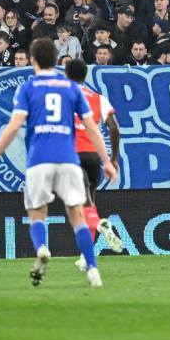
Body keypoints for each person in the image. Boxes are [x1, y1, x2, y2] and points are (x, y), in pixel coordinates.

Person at [0, 38, 115, 288]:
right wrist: (106, 161)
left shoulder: (28, 88)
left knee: (37, 213)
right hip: (68, 159)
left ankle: (42, 247)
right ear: (56, 60)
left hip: (39, 160)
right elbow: (92, 128)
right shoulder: (71, 88)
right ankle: (93, 269)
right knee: (77, 215)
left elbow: (13, 126)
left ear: (32, 60)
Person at [62, 57, 128, 253]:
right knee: (89, 202)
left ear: (66, 75)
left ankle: (101, 224)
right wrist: (114, 159)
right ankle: (86, 256)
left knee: (82, 204)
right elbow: (114, 128)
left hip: (70, 155)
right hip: (92, 156)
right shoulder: (98, 98)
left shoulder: (59, 98)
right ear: (85, 75)